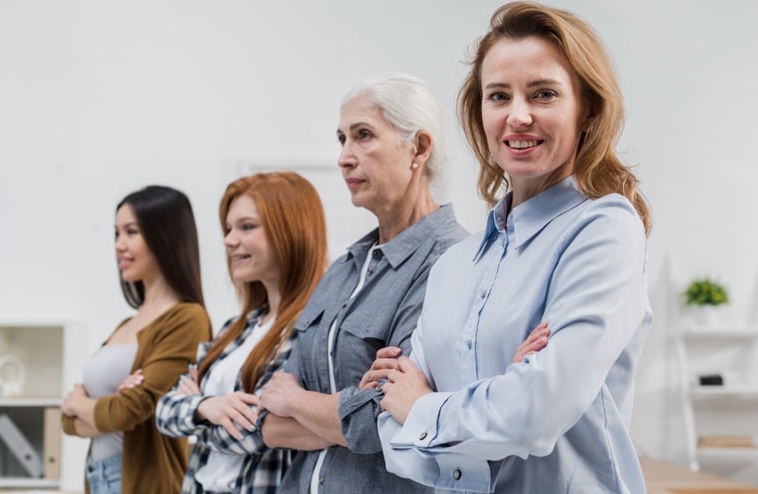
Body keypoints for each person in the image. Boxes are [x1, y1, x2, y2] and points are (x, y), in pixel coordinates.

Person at [372, 2, 653, 493]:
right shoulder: (454, 265)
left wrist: (424, 408)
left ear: (587, 107)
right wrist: (497, 398)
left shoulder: (604, 228)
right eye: (498, 96)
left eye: (543, 94)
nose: (518, 116)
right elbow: (391, 435)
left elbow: (534, 413)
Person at [256, 73, 468, 494]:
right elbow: (268, 418)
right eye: (342, 139)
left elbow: (387, 418)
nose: (344, 157)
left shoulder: (453, 261)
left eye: (363, 135)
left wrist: (298, 402)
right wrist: (346, 413)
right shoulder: (343, 269)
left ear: (419, 148)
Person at [153, 171, 329, 494]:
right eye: (229, 228)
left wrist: (196, 408)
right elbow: (164, 410)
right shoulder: (234, 331)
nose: (229, 240)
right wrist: (207, 408)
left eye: (246, 227)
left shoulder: (311, 330)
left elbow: (256, 430)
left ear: (290, 231)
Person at [61, 185, 212, 494]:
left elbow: (129, 411)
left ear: (164, 237)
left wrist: (81, 403)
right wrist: (99, 411)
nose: (119, 245)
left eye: (131, 232)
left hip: (142, 482)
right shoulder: (125, 324)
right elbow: (67, 420)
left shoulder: (187, 318)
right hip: (98, 477)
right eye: (116, 233)